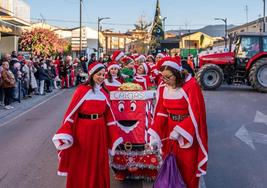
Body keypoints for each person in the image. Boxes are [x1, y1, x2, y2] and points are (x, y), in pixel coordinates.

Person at [52, 62, 123, 188]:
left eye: (103, 74)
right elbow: (71, 114)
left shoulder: (104, 92)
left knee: (98, 161)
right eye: (98, 74)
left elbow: (109, 117)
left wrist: (114, 135)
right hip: (83, 131)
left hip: (99, 130)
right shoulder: (82, 90)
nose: (101, 77)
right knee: (82, 160)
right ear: (92, 74)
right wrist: (66, 132)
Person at [148, 57, 208, 188]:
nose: (165, 81)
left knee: (187, 167)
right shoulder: (163, 87)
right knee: (171, 167)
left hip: (187, 135)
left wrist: (180, 130)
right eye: (163, 77)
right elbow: (161, 113)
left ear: (177, 74)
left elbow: (196, 115)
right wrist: (155, 135)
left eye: (168, 77)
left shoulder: (191, 86)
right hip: (169, 131)